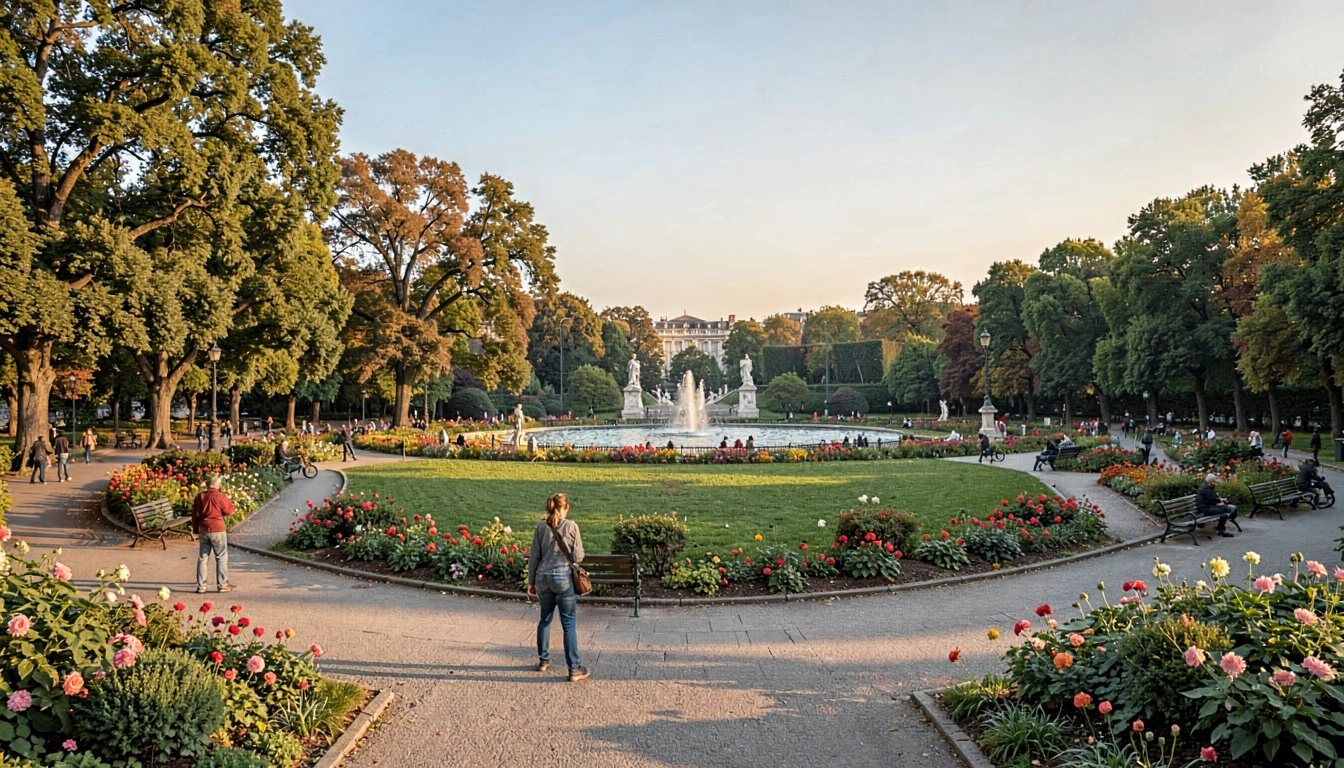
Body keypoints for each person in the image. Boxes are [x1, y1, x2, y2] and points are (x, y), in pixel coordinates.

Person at [527, 493, 588, 682]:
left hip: (543, 578)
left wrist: (531, 582)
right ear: (566, 507)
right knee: (568, 624)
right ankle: (574, 668)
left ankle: (544, 659)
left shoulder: (540, 527)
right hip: (563, 579)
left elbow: (534, 557)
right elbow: (578, 557)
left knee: (544, 619)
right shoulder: (572, 526)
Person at [192, 474, 236, 593]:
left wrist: (196, 530)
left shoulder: (199, 497)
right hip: (217, 529)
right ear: (217, 485)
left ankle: (201, 586)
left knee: (203, 558)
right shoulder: (219, 496)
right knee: (221, 557)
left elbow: (195, 515)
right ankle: (222, 584)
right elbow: (231, 510)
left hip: (203, 529)